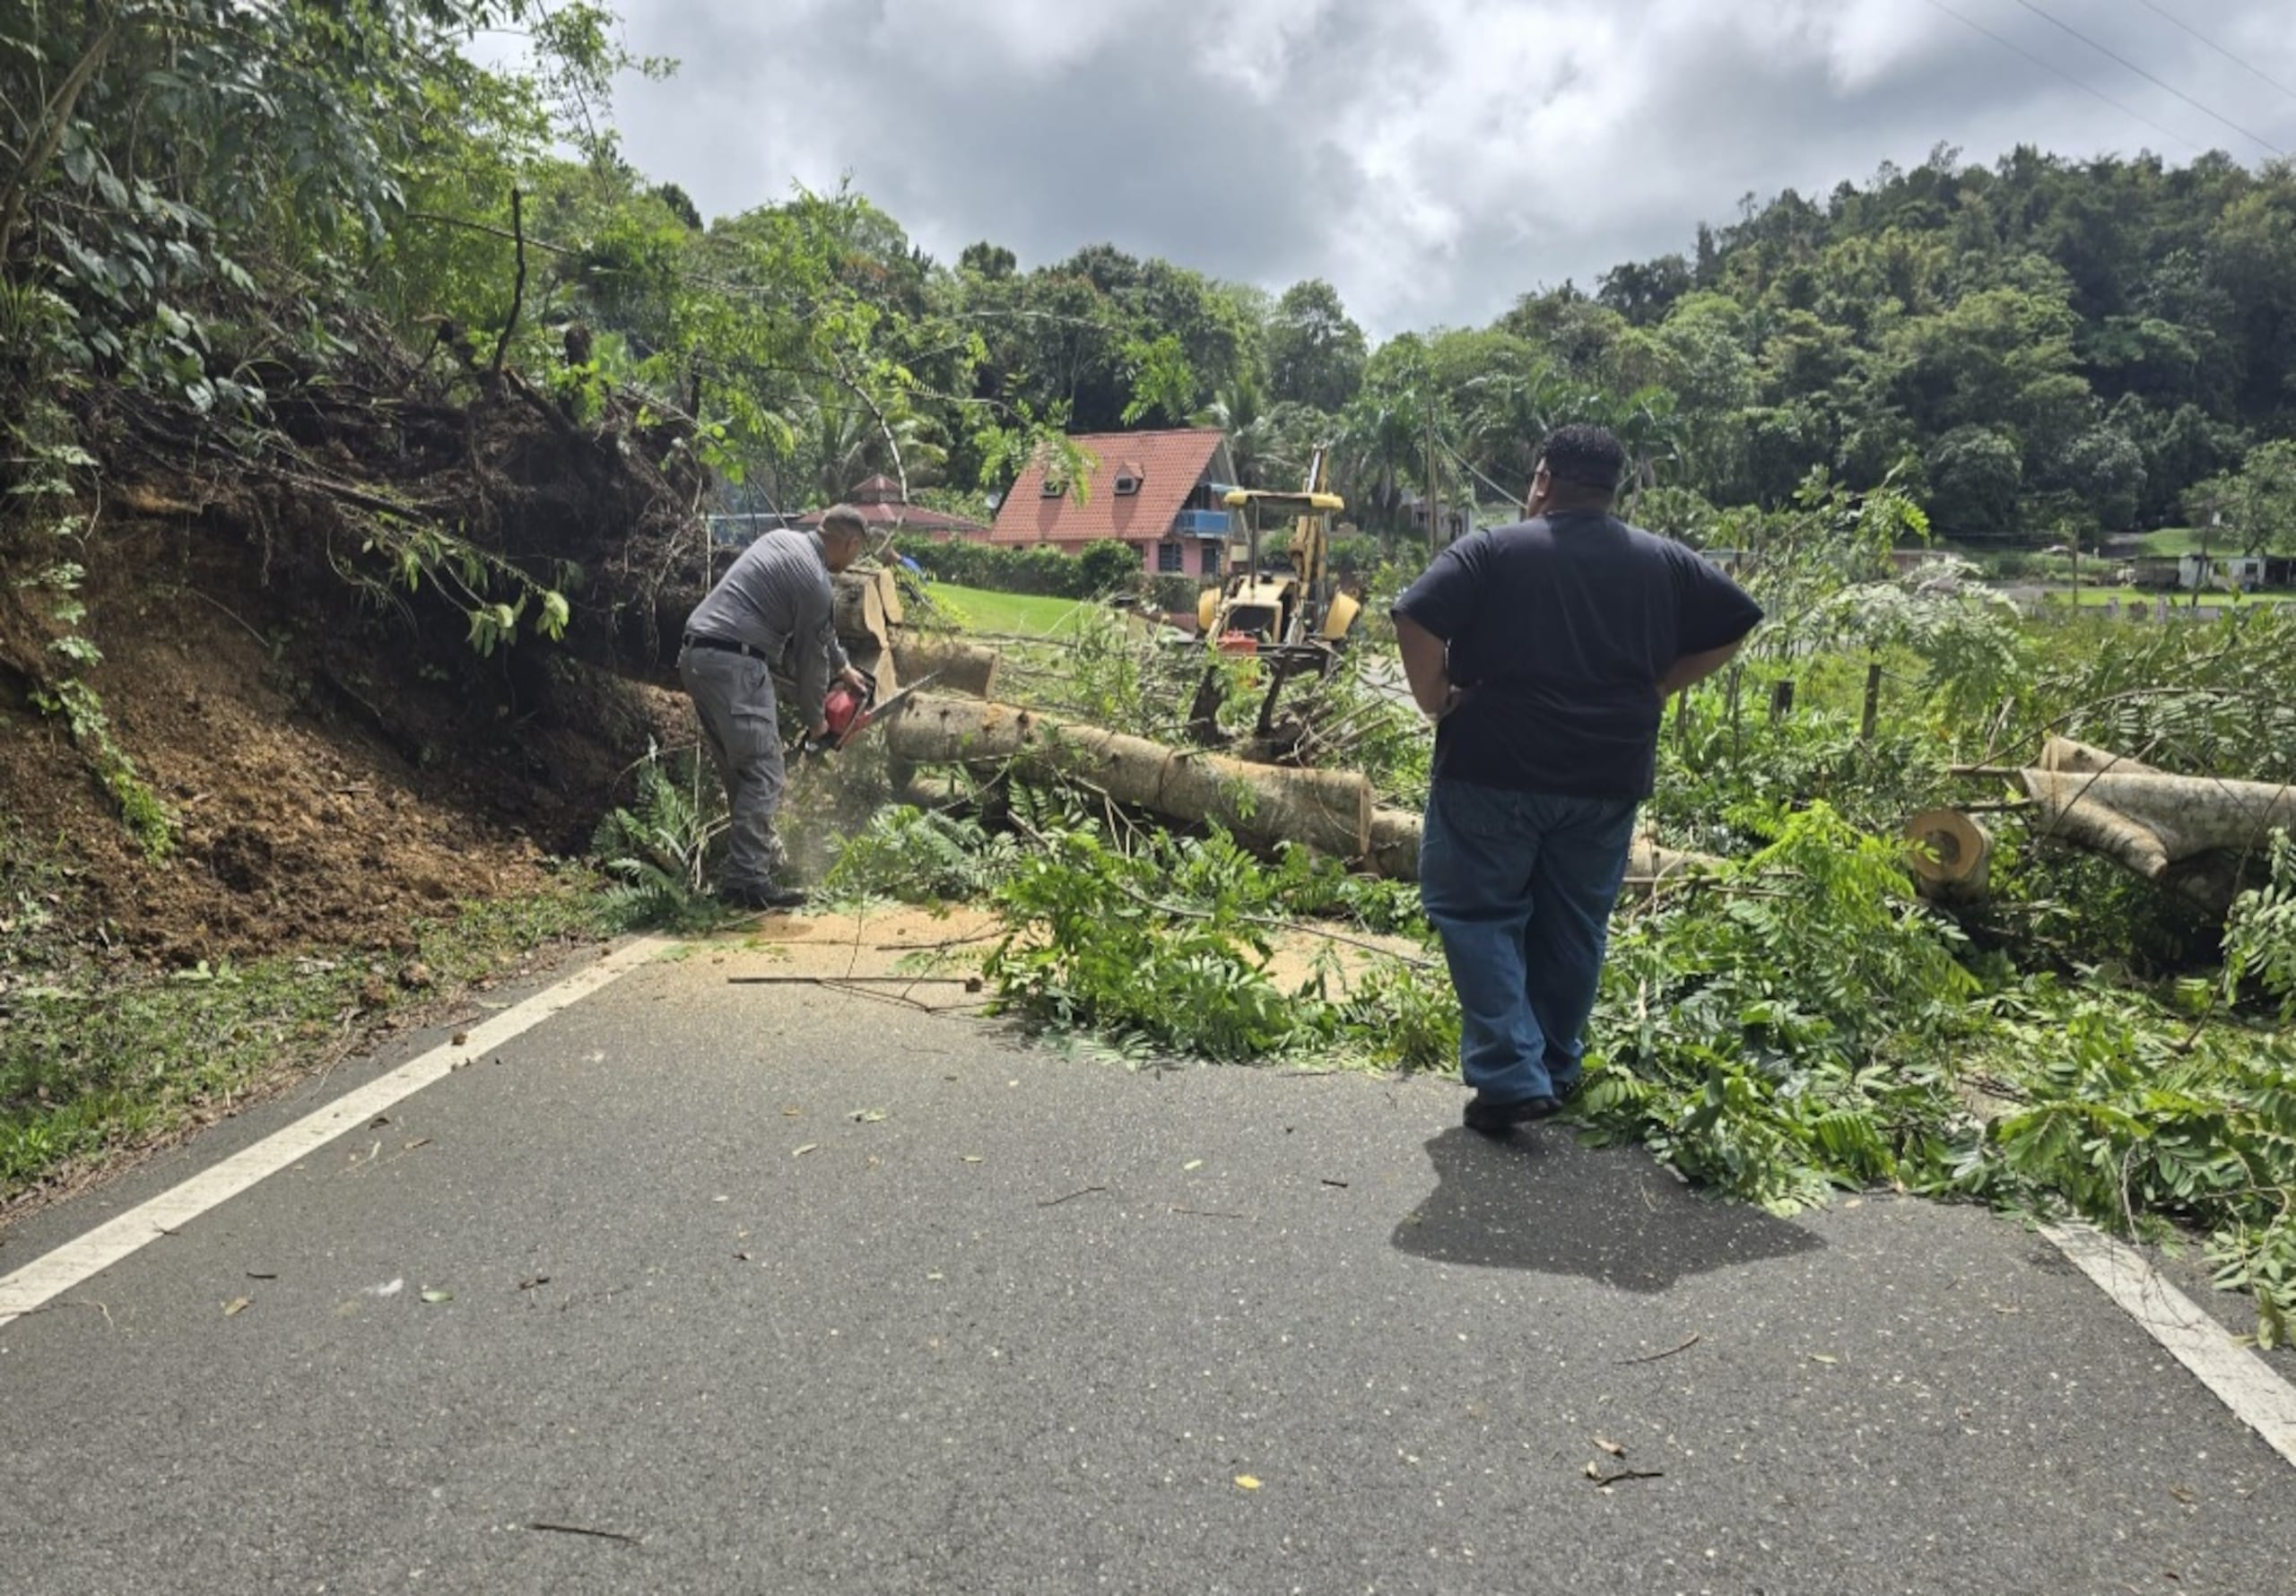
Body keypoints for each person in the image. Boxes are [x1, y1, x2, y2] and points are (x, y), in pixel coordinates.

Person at [1390, 424, 1763, 1136]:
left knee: (1475, 911)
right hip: (1607, 776)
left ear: (1542, 480)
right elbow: (1738, 617)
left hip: (1492, 769)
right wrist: (1660, 686)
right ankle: (1554, 1069)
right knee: (1574, 927)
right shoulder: (1663, 561)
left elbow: (1414, 614)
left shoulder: (1494, 549)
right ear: (1609, 488)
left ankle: (1510, 1074)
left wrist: (1435, 699)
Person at [680, 507, 871, 910]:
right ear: (850, 544)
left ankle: (760, 859)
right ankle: (747, 880)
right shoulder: (816, 583)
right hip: (736, 664)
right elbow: (810, 663)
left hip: (698, 654)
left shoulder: (781, 540)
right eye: (856, 553)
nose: (852, 562)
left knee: (743, 771)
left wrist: (845, 667)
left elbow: (823, 634)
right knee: (766, 772)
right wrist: (819, 725)